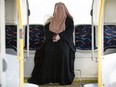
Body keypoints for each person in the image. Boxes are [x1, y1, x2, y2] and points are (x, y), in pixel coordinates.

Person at [28, 2, 76, 85]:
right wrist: (54, 36)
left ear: (64, 9)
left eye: (61, 8)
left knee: (63, 51)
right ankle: (48, 77)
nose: (59, 10)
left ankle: (62, 78)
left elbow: (69, 32)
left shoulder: (69, 19)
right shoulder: (50, 20)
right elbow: (46, 31)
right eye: (57, 8)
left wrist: (59, 36)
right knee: (48, 50)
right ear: (55, 9)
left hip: (64, 41)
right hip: (51, 40)